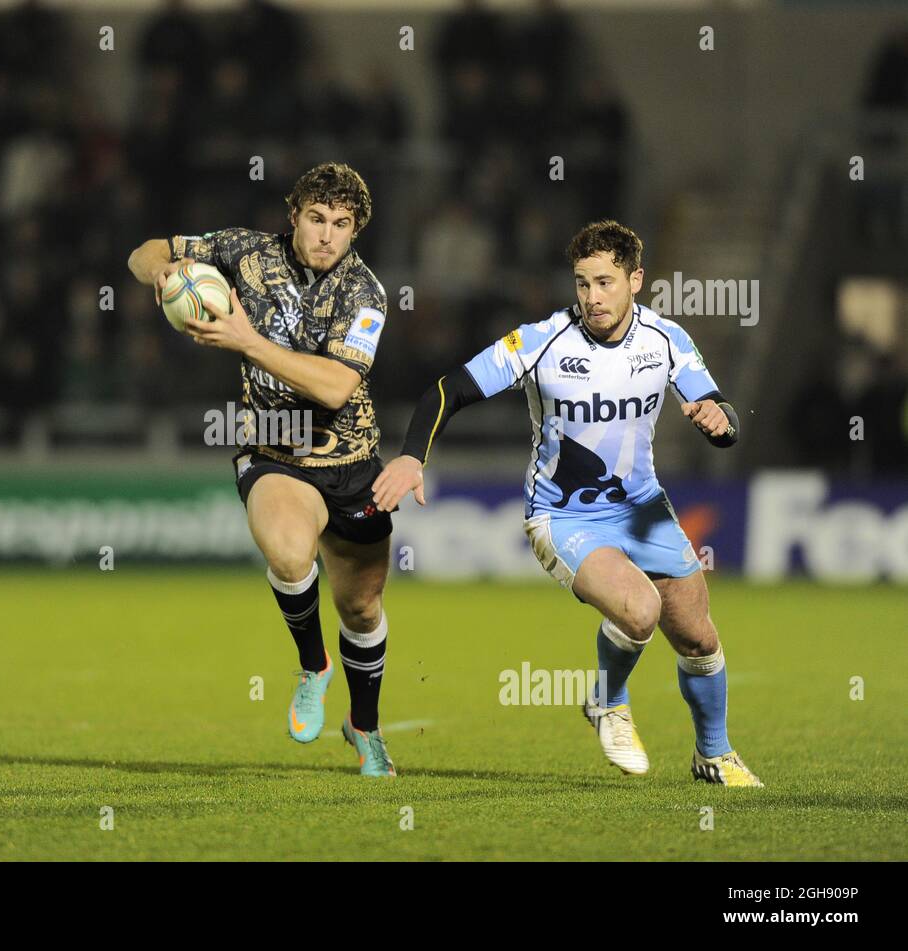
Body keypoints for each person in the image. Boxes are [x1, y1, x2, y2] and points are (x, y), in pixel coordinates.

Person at [374, 219, 763, 786]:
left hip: (644, 509)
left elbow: (720, 413)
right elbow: (448, 389)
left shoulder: (667, 340)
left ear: (636, 280)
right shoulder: (541, 340)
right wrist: (412, 456)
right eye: (582, 283)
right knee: (638, 610)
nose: (592, 297)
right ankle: (608, 701)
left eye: (605, 283)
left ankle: (714, 754)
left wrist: (718, 421)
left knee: (700, 637)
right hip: (563, 515)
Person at [128, 163, 396, 776]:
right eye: (316, 219)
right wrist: (164, 273)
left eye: (342, 224)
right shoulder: (245, 252)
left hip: (351, 459)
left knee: (360, 609)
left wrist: (249, 343)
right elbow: (145, 251)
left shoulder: (366, 294)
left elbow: (334, 387)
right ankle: (313, 666)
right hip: (274, 445)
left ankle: (365, 725)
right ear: (294, 216)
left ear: (355, 232)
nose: (327, 235)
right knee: (286, 551)